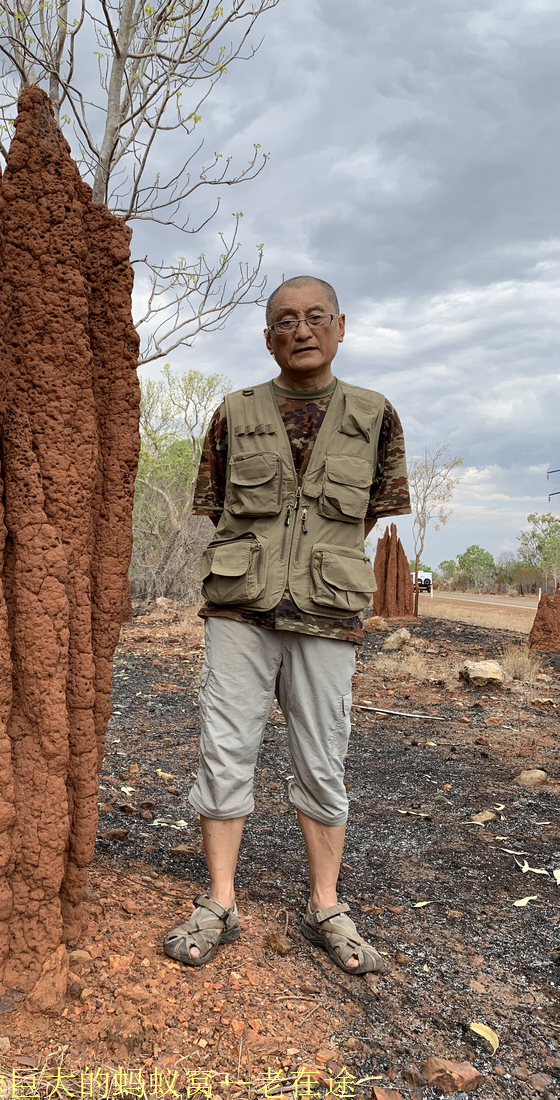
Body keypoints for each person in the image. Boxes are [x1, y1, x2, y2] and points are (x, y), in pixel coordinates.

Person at [163, 275, 411, 975]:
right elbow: (216, 506)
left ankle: (324, 905)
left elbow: (367, 512)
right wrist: (268, 562)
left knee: (323, 759)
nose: (299, 331)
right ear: (266, 336)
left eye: (313, 318)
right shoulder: (235, 413)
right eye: (284, 321)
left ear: (339, 326)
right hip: (239, 610)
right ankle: (218, 902)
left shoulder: (373, 413)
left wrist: (312, 564)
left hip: (325, 616)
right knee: (224, 749)